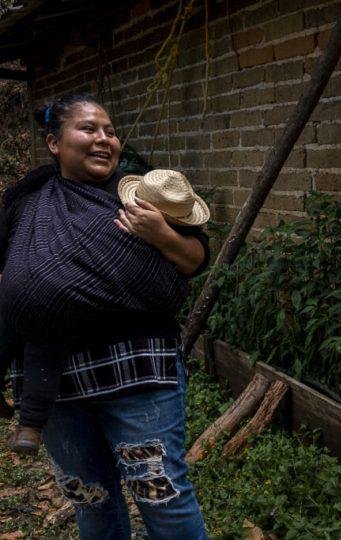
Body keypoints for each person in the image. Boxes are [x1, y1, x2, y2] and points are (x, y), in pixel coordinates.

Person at [0, 93, 209, 539]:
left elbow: (193, 261)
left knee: (163, 497)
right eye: (89, 129)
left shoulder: (145, 195)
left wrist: (160, 235)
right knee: (90, 500)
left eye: (110, 132)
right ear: (54, 143)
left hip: (137, 371)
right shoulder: (28, 202)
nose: (104, 139)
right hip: (56, 383)